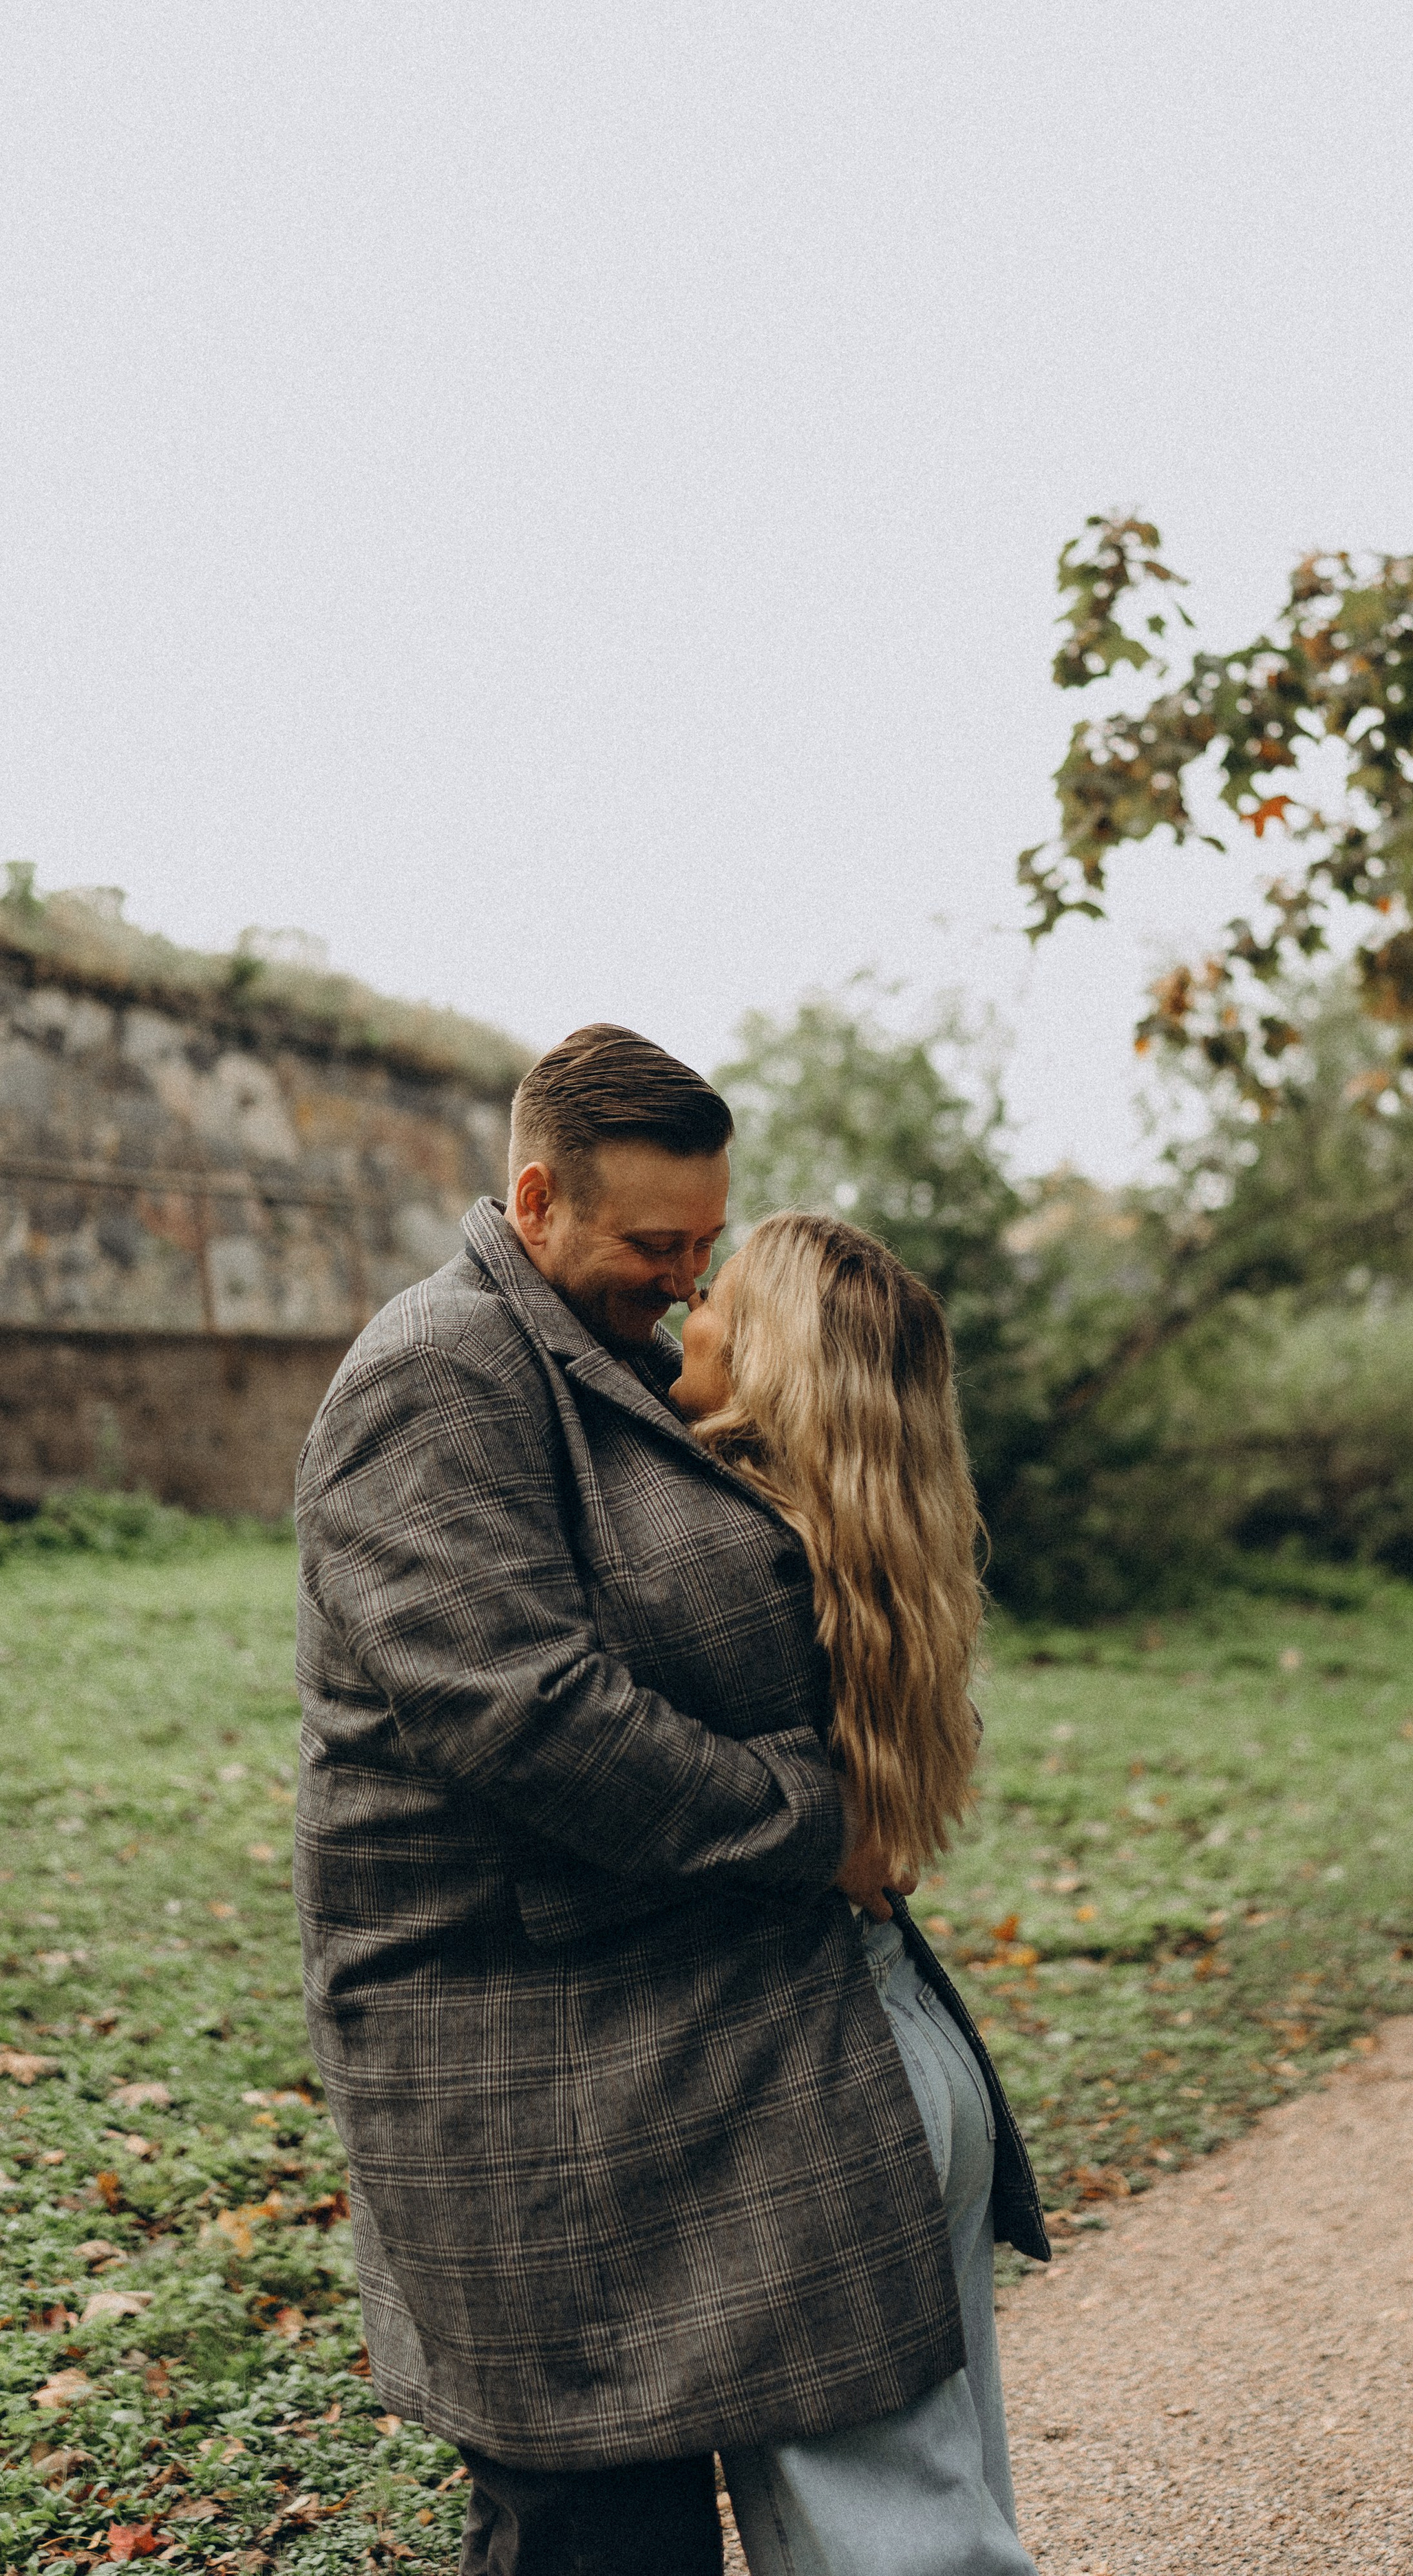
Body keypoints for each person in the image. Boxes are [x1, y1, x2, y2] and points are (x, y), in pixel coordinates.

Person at [293, 1024, 1046, 2576]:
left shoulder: (598, 1360)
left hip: (665, 2043)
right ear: (534, 1198)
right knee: (595, 2528)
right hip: (505, 2053)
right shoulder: (437, 1374)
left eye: (706, 1245)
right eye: (654, 1246)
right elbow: (523, 1712)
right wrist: (814, 1823)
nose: (687, 1284)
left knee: (837, 2514)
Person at [670, 1210, 1040, 2575]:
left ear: (763, 1354)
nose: (684, 1309)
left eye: (711, 1295)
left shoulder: (717, 1552)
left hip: (822, 2077)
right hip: (915, 2058)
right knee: (943, 2507)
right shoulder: (869, 1552)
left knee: (884, 2542)